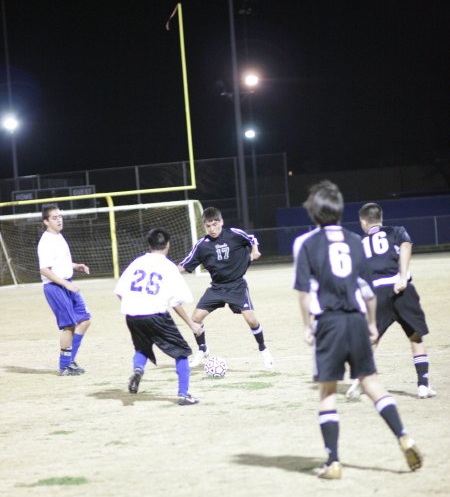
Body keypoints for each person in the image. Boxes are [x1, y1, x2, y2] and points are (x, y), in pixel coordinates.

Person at [293, 180, 422, 480]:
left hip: (329, 322)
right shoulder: (354, 240)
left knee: (327, 392)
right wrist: (372, 326)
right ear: (340, 210)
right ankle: (404, 436)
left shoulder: (307, 243)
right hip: (356, 320)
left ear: (313, 213)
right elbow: (367, 291)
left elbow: (303, 292)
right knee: (371, 383)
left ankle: (334, 462)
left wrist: (307, 326)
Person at [346, 202, 436, 401]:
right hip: (400, 289)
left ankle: (360, 381)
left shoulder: (359, 243)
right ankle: (423, 385)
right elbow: (405, 246)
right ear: (381, 217)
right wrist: (402, 277)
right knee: (415, 336)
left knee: (372, 339)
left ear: (363, 221)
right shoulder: (396, 231)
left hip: (376, 293)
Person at [114, 227, 202, 405]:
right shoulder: (169, 267)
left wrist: (135, 306)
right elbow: (176, 302)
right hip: (155, 314)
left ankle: (138, 370)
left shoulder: (137, 262)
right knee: (182, 353)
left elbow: (120, 292)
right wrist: (192, 325)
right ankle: (184, 395)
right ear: (168, 245)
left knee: (143, 347)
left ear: (149, 244)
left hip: (132, 314)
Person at [178, 206, 273, 369]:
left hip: (237, 285)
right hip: (217, 288)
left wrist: (255, 251)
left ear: (221, 222)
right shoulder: (202, 245)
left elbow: (251, 238)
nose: (212, 229)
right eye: (208, 226)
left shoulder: (234, 234)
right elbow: (185, 265)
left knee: (251, 319)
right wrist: (164, 271)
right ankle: (202, 349)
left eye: (215, 224)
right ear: (204, 226)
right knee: (195, 319)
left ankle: (263, 349)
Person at [37, 204, 91, 376]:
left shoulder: (59, 237)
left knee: (84, 320)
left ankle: (70, 361)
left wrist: (76, 266)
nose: (59, 219)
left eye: (60, 216)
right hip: (55, 287)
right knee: (68, 326)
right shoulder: (45, 241)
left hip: (67, 282)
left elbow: (60, 263)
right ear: (46, 221)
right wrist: (66, 284)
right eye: (54, 217)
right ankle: (64, 366)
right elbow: (45, 270)